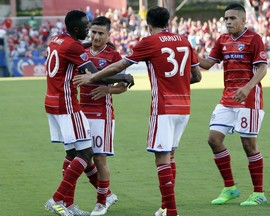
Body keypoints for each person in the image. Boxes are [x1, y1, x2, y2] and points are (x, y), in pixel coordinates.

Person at [73, 6, 202, 216]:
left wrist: (91, 77)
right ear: (168, 22)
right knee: (170, 156)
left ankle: (172, 211)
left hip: (164, 107)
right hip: (184, 107)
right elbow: (196, 76)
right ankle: (166, 206)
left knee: (161, 158)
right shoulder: (184, 40)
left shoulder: (149, 42)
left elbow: (119, 66)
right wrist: (176, 83)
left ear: (148, 24)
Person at [44, 10, 133, 216]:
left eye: (99, 32)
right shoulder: (75, 47)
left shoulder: (57, 40)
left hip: (57, 104)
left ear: (108, 35)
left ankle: (71, 203)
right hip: (68, 105)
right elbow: (97, 76)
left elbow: (83, 63)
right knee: (85, 153)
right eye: (88, 29)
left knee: (74, 154)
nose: (91, 34)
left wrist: (115, 84)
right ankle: (57, 199)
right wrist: (126, 76)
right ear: (78, 29)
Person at [197, 3, 268, 206]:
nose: (228, 22)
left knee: (248, 145)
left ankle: (258, 193)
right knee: (213, 139)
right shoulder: (222, 40)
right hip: (227, 99)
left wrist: (247, 88)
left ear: (243, 20)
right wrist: (188, 52)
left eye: (232, 18)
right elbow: (208, 64)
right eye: (226, 19)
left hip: (249, 100)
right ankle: (230, 188)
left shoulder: (254, 39)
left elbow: (262, 68)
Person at [80, 16, 127, 216]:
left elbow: (123, 85)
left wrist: (108, 91)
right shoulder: (82, 52)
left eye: (101, 33)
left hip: (102, 114)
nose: (96, 36)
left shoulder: (113, 56)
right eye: (94, 32)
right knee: (80, 159)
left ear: (108, 35)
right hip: (80, 111)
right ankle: (107, 194)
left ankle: (101, 202)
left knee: (99, 159)